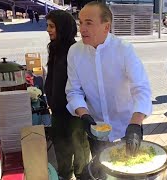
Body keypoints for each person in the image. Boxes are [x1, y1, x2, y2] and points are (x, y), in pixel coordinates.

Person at [65, 2, 152, 178]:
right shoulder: (75, 52)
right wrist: (84, 116)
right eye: (80, 22)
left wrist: (135, 124)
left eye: (89, 23)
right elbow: (73, 91)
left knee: (132, 170)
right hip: (96, 128)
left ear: (106, 26)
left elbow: (141, 88)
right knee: (105, 172)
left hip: (128, 127)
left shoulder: (124, 49)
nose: (82, 28)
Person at [44, 10, 90, 180]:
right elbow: (52, 77)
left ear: (62, 28)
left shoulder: (76, 49)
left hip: (75, 111)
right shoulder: (54, 48)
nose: (48, 30)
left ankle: (82, 175)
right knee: (60, 147)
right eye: (47, 26)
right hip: (57, 109)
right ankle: (64, 175)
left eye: (52, 26)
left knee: (79, 148)